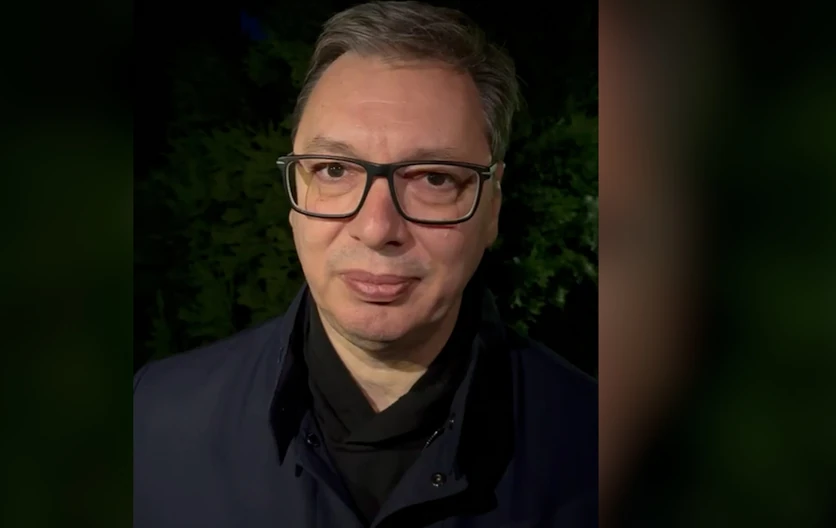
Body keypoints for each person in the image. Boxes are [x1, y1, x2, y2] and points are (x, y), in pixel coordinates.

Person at [134, 2, 597, 527]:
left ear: (492, 206)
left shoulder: (594, 450)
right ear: (294, 196)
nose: (376, 228)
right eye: (334, 170)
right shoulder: (154, 421)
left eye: (434, 178)